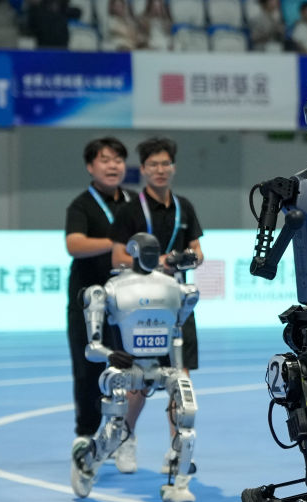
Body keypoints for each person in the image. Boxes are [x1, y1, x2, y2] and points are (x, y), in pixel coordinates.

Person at [111, 136, 204, 472]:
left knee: (180, 381)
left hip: (177, 307)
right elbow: (117, 257)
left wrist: (186, 258)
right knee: (138, 382)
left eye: (165, 163)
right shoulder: (130, 210)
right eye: (153, 165)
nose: (160, 170)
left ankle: (177, 450)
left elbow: (198, 252)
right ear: (144, 169)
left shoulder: (184, 207)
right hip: (140, 306)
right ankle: (125, 438)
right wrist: (156, 262)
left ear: (173, 167)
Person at [65, 138, 136, 471]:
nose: (113, 166)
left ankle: (123, 435)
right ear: (90, 166)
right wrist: (117, 243)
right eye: (105, 160)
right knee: (88, 369)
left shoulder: (136, 202)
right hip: (88, 302)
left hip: (128, 302)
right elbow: (74, 244)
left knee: (129, 369)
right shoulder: (81, 205)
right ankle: (85, 434)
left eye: (118, 159)